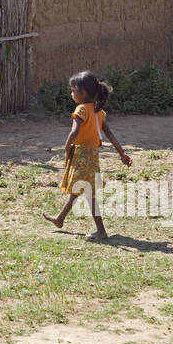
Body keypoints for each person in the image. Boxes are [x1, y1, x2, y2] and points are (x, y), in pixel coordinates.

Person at [43, 70, 132, 241]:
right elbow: (110, 134)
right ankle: (60, 219)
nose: (71, 93)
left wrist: (67, 146)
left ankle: (101, 231)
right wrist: (121, 153)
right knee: (80, 189)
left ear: (82, 93)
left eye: (73, 90)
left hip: (82, 154)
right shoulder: (98, 111)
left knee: (88, 192)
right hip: (92, 155)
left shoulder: (81, 109)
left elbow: (75, 131)